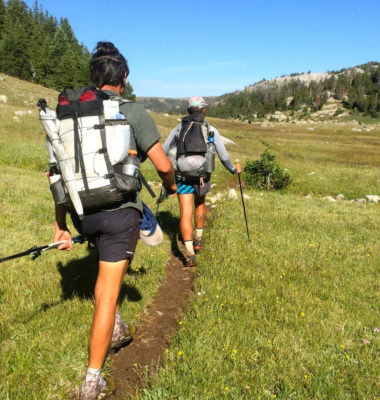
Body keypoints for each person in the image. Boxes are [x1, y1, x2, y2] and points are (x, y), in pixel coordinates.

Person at [53, 42, 177, 400]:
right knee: (108, 290)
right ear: (124, 77)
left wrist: (61, 224)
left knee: (108, 272)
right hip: (119, 213)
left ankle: (118, 326)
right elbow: (164, 166)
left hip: (82, 214)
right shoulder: (133, 112)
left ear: (94, 78)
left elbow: (57, 175)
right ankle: (92, 381)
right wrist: (168, 187)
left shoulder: (75, 116)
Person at [163, 96, 241, 267]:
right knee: (200, 205)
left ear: (188, 111)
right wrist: (233, 169)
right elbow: (223, 156)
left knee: (185, 212)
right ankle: (198, 240)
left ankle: (189, 254)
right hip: (202, 177)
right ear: (204, 110)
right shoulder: (210, 129)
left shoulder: (178, 128)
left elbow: (164, 149)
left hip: (182, 176)